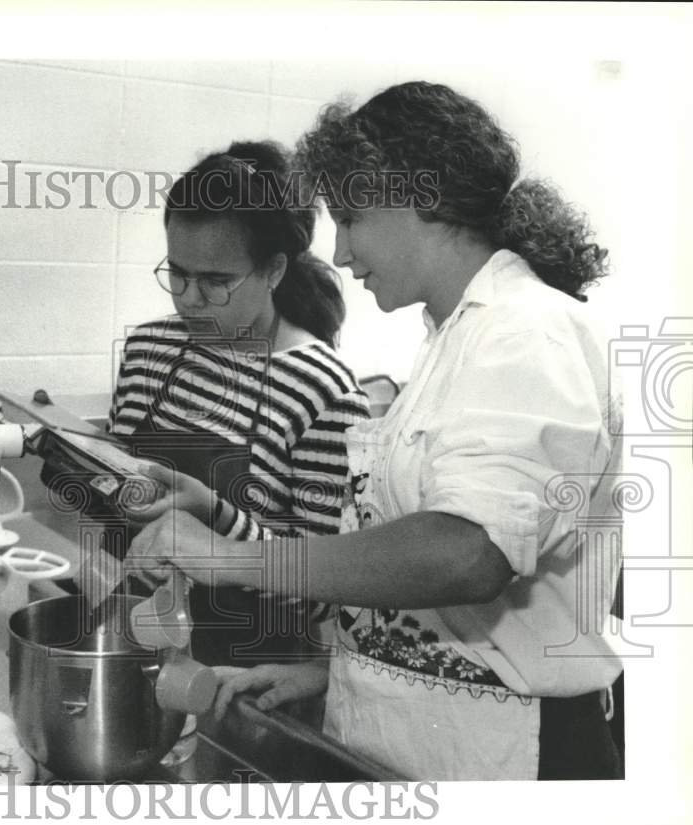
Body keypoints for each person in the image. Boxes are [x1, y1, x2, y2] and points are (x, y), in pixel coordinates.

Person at [126, 82, 624, 780]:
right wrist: (333, 669)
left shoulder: (527, 331)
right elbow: (430, 593)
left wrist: (234, 559)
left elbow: (468, 552)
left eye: (352, 217)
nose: (339, 248)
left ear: (420, 199)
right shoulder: (457, 339)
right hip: (423, 734)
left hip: (512, 753)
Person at [103, 140, 370, 667]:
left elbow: (321, 590)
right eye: (177, 273)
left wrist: (211, 512)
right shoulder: (150, 349)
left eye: (216, 282)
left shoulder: (322, 390)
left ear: (273, 270)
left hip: (243, 669)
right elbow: (115, 483)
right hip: (134, 637)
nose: (188, 299)